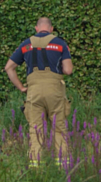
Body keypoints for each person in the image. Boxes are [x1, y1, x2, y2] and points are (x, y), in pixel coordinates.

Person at [4, 17, 74, 169]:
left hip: (34, 91)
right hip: (55, 91)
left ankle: (36, 169)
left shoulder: (26, 44)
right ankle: (63, 170)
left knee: (36, 129)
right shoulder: (60, 43)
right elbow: (68, 70)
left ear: (36, 28)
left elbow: (9, 67)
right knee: (59, 128)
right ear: (51, 29)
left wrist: (21, 87)